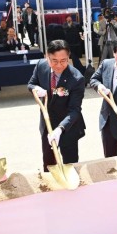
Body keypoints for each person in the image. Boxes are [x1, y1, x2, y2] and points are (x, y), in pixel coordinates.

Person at [28, 40, 86, 168]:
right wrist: (35, 89)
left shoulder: (77, 78)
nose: (59, 65)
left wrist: (60, 129)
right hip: (47, 125)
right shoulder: (41, 66)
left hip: (68, 127)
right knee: (49, 164)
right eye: (54, 61)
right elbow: (31, 83)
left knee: (70, 164)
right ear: (47, 56)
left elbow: (74, 110)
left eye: (63, 61)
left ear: (68, 57)